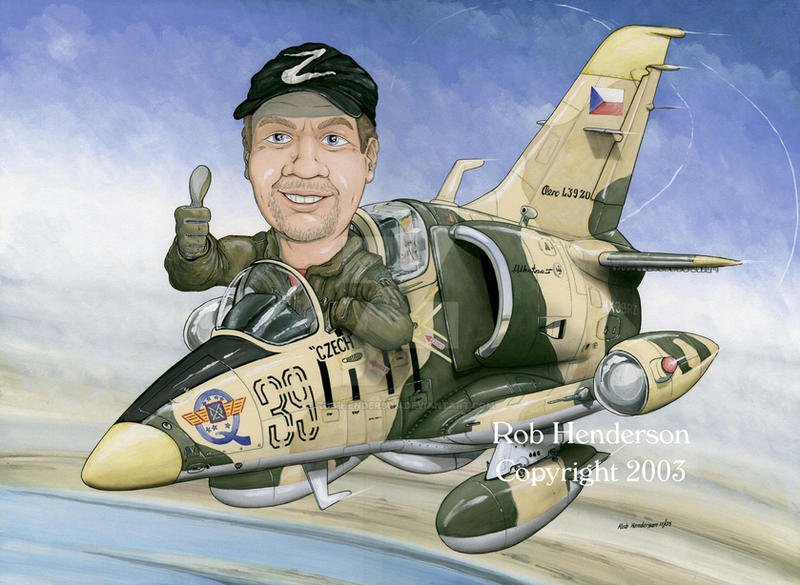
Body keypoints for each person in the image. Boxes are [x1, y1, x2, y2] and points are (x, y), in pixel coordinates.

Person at [164, 43, 413, 350]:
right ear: (248, 156)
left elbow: (396, 329)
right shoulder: (254, 256)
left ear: (369, 159)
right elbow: (193, 275)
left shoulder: (363, 273)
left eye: (332, 139)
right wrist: (192, 248)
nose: (305, 168)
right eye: (278, 137)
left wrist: (339, 311)